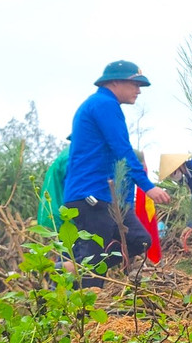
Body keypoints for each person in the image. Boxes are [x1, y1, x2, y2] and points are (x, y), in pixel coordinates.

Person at [62, 61, 170, 286]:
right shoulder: (103, 105)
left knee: (139, 240)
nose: (138, 91)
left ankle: (69, 268)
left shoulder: (101, 105)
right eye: (134, 84)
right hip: (93, 197)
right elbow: (122, 150)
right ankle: (82, 310)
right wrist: (148, 186)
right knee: (91, 270)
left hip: (109, 198)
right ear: (114, 82)